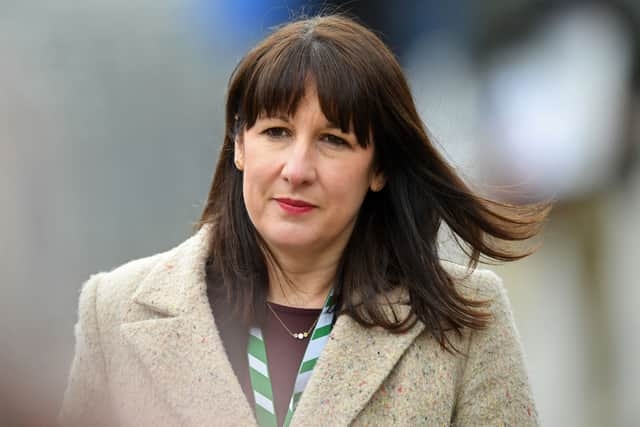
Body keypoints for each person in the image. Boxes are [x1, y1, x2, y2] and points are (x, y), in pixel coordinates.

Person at [59, 14, 549, 427]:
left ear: (379, 168)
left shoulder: (464, 319)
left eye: (333, 140)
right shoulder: (117, 310)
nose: (296, 170)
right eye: (276, 132)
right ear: (239, 146)